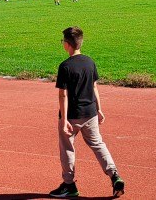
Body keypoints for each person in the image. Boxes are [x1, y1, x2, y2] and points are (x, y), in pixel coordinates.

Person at [50, 26, 125, 198]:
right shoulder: (90, 62)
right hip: (90, 113)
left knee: (67, 148)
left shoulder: (65, 66)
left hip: (73, 116)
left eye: (63, 41)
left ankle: (69, 185)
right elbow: (94, 87)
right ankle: (114, 175)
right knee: (98, 144)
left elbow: (63, 95)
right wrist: (99, 109)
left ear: (67, 44)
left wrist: (64, 119)